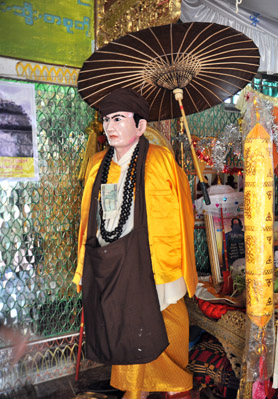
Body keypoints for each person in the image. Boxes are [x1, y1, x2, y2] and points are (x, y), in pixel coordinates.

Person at [73, 88, 197, 399]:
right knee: (125, 326)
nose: (109, 126)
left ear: (141, 127)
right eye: (106, 119)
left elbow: (181, 213)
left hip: (157, 261)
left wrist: (178, 265)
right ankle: (135, 391)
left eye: (118, 119)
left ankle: (176, 387)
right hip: (114, 261)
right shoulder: (98, 164)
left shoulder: (160, 160)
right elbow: (90, 220)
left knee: (170, 324)